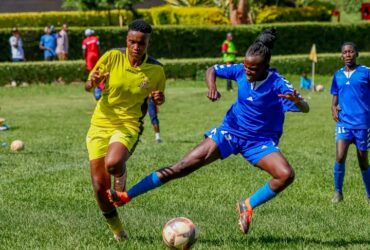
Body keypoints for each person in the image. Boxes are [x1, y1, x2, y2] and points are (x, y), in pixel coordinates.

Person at [108, 28, 310, 234]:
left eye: (253, 69)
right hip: (230, 132)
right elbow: (211, 69)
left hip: (259, 142)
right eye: (246, 67)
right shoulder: (241, 70)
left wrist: (298, 102)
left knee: (285, 175)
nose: (247, 72)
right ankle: (127, 195)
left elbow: (306, 108)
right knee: (183, 166)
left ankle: (247, 205)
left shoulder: (278, 83)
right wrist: (211, 86)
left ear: (265, 67)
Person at [84, 20, 166, 240]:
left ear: (148, 43)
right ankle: (118, 231)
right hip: (100, 123)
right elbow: (88, 85)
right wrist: (93, 82)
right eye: (132, 42)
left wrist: (160, 97)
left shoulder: (156, 70)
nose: (136, 47)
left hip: (129, 124)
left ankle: (120, 171)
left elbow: (159, 96)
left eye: (141, 43)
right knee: (100, 186)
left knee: (113, 163)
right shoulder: (112, 57)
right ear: (126, 41)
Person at [330, 42, 370, 204]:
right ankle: (338, 193)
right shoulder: (337, 75)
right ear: (341, 56)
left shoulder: (366, 72)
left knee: (363, 161)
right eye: (345, 52)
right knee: (340, 157)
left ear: (356, 54)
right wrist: (333, 107)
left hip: (363, 124)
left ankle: (369, 194)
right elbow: (335, 96)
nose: (348, 55)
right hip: (344, 123)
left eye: (351, 52)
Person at [82, 29, 102, 100]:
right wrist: (100, 55)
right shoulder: (96, 38)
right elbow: (99, 48)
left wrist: (84, 58)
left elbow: (84, 50)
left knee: (91, 72)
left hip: (89, 56)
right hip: (96, 55)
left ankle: (93, 86)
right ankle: (99, 86)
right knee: (98, 71)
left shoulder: (85, 41)